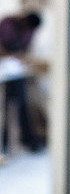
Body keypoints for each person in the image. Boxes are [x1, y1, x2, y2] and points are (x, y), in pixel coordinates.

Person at [0, 11, 45, 152]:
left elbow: (26, 50)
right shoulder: (8, 24)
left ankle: (27, 140)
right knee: (7, 106)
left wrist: (22, 57)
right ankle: (6, 142)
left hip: (15, 70)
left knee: (20, 103)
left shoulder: (29, 31)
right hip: (4, 68)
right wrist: (14, 55)